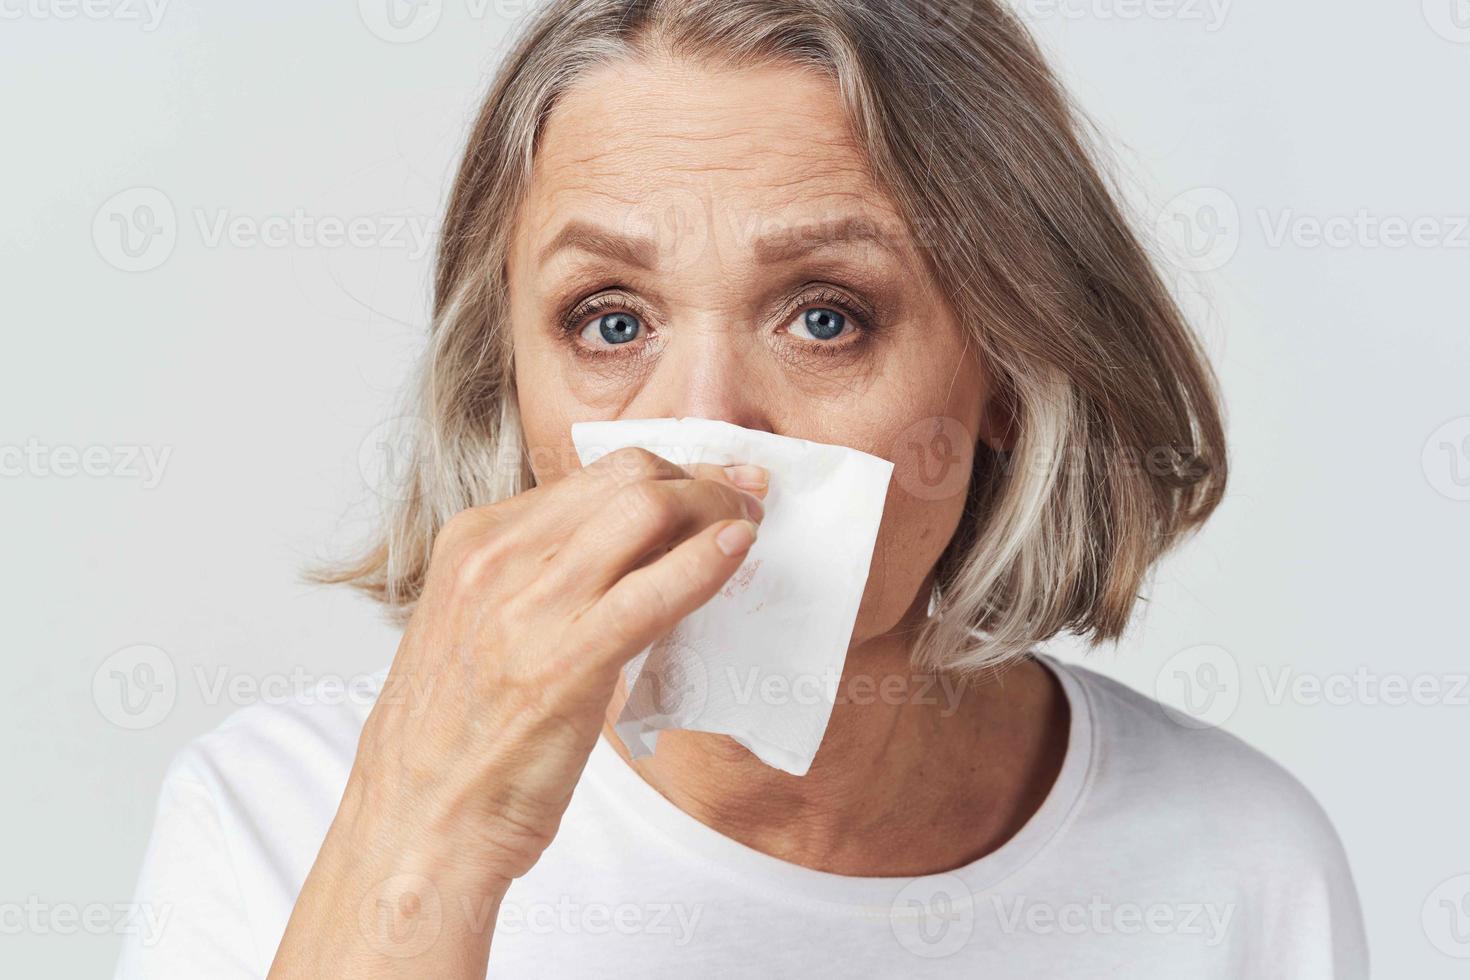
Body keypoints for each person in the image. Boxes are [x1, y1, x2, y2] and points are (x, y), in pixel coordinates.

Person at [114, 1, 1368, 976]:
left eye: (825, 316)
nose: (706, 425)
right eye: (611, 323)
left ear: (1007, 369)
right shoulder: (276, 818)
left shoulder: (1233, 861)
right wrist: (426, 844)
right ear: (511, 377)